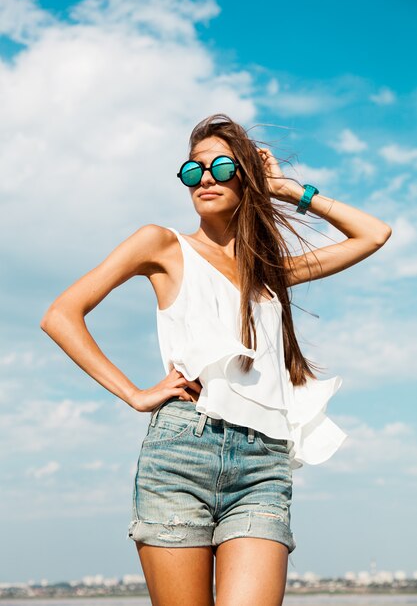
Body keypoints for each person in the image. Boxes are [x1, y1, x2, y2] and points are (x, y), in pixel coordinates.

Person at [40, 113, 392, 606]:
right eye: (193, 170)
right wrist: (136, 395)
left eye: (222, 167)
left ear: (247, 176)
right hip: (182, 453)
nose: (205, 178)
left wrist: (288, 191)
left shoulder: (269, 271)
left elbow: (374, 234)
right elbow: (61, 315)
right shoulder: (162, 245)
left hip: (262, 465)